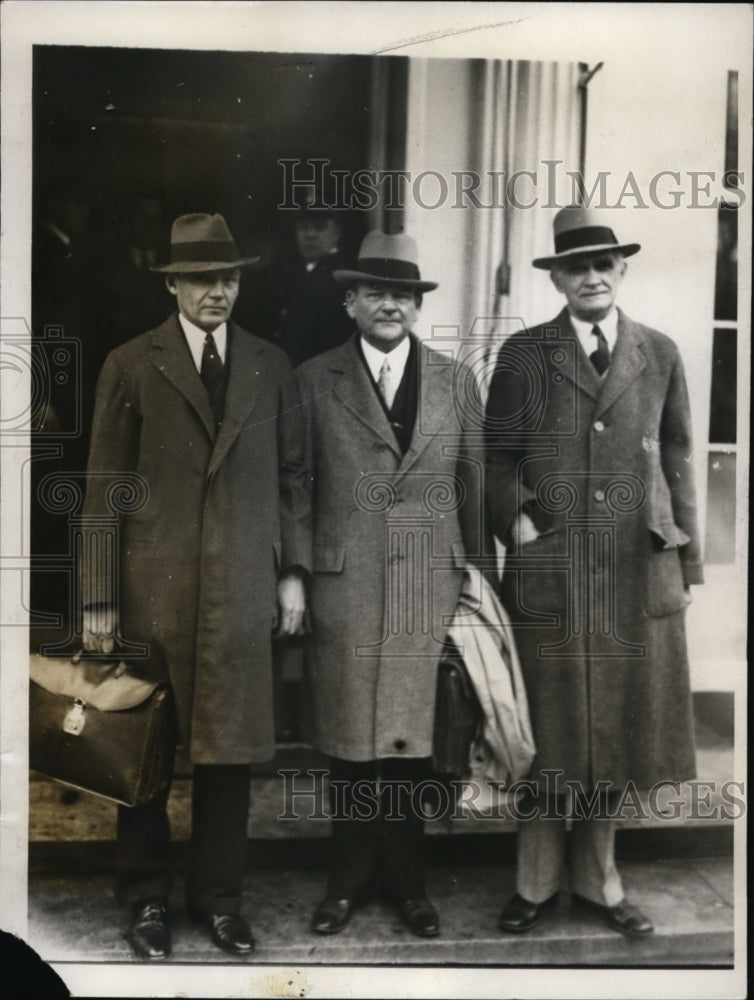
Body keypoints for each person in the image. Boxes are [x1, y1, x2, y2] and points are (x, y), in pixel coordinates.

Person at [81, 213, 310, 960]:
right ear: (174, 283)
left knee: (229, 755)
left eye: (231, 278)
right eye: (204, 278)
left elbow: (293, 480)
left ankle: (219, 902)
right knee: (143, 751)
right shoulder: (131, 363)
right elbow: (103, 489)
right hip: (153, 592)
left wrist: (292, 576)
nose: (219, 291)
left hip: (242, 589)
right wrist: (99, 599)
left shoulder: (270, 365)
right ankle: (145, 901)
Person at [484, 206, 703, 937]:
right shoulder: (524, 355)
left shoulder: (660, 352)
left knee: (614, 734)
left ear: (621, 271)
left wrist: (686, 558)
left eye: (602, 265)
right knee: (549, 734)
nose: (590, 277)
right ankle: (536, 884)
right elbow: (497, 460)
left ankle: (601, 883)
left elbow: (678, 458)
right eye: (576, 267)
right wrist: (520, 521)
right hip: (554, 570)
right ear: (559, 277)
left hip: (637, 572)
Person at [296, 231, 483, 938]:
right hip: (346, 584)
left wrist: (477, 583)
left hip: (429, 584)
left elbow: (472, 490)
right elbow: (295, 484)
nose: (390, 305)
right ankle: (344, 883)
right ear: (350, 302)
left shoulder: (456, 381)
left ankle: (409, 886)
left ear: (416, 304)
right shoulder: (314, 381)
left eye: (403, 294)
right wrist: (296, 574)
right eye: (375, 292)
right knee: (350, 743)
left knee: (413, 741)